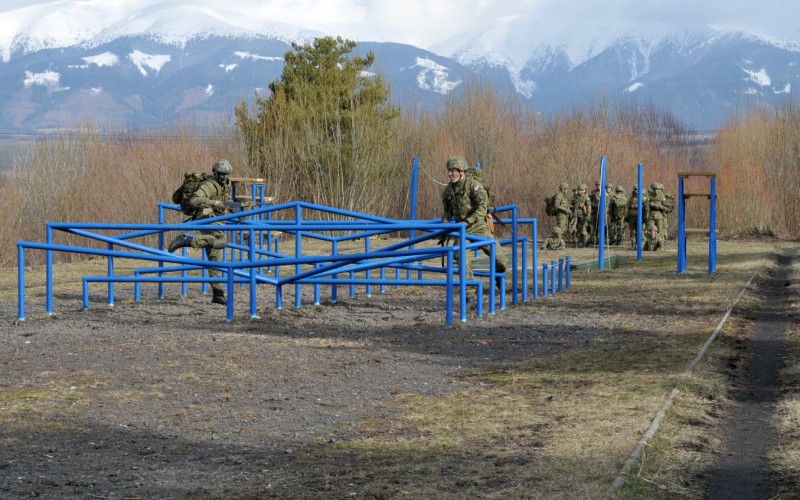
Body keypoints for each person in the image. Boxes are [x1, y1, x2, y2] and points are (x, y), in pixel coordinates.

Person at [168, 159, 234, 305]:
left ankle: (218, 293)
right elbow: (194, 201)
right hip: (204, 217)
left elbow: (226, 201)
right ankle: (187, 240)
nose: (224, 177)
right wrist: (213, 203)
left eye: (226, 174)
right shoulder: (209, 185)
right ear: (216, 173)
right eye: (222, 174)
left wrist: (232, 208)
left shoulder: (226, 184)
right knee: (222, 241)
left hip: (213, 218)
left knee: (214, 254)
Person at [441, 156, 508, 299]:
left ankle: (498, 273)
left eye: (452, 171)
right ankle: (469, 295)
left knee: (501, 259)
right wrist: (445, 224)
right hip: (461, 230)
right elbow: (446, 211)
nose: (449, 174)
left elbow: (482, 208)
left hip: (478, 226)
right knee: (460, 257)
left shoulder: (474, 186)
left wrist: (468, 221)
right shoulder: (448, 190)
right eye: (448, 171)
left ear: (461, 171)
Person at [644, 182, 674, 251]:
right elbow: (646, 205)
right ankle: (649, 245)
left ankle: (661, 245)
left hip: (660, 216)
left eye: (657, 189)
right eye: (654, 189)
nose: (656, 191)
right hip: (650, 215)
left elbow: (667, 208)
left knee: (660, 231)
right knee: (649, 230)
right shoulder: (650, 196)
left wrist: (659, 206)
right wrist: (649, 205)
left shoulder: (662, 197)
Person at [571, 183, 591, 247]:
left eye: (582, 190)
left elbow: (589, 206)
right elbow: (570, 204)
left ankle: (585, 242)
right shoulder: (574, 197)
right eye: (580, 190)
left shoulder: (586, 197)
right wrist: (571, 212)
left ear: (585, 190)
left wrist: (588, 214)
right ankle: (576, 242)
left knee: (583, 229)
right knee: (574, 229)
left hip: (583, 215)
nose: (581, 191)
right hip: (575, 214)